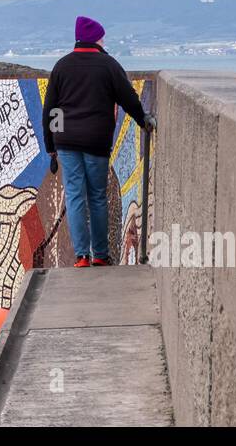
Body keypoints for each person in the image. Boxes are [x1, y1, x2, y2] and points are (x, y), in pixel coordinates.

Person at [41, 15, 156, 268]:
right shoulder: (108, 65)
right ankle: (100, 255)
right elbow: (129, 98)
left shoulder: (61, 67)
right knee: (97, 196)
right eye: (102, 37)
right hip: (96, 141)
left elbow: (50, 109)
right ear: (96, 39)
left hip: (67, 143)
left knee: (74, 196)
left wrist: (52, 145)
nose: (104, 42)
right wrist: (143, 119)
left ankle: (81, 256)